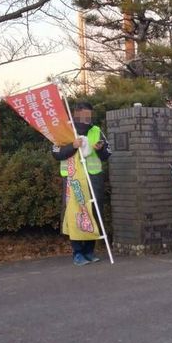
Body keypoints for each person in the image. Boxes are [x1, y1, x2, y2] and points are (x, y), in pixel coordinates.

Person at [51, 101, 110, 266]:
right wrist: (72, 146)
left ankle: (89, 251)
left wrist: (100, 149)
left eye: (88, 115)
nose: (86, 118)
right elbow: (56, 153)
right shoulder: (64, 130)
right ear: (76, 113)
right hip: (73, 178)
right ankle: (77, 253)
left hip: (93, 177)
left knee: (94, 212)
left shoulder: (96, 130)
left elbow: (107, 154)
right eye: (83, 115)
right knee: (75, 213)